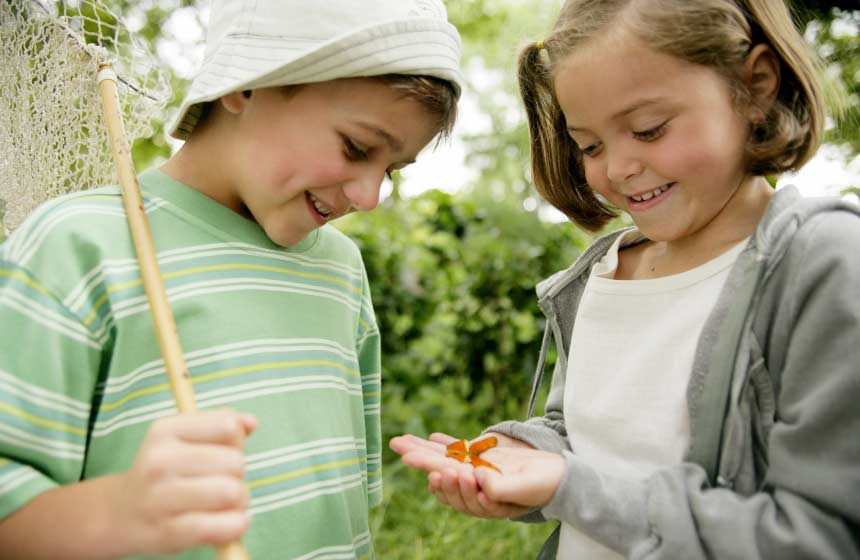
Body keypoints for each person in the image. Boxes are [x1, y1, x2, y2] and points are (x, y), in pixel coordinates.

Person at [390, 0, 860, 558]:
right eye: (589, 145)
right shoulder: (602, 273)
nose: (616, 169)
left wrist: (571, 486)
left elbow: (819, 534)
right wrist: (520, 454)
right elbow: (589, 438)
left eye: (648, 129)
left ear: (754, 87)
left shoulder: (821, 266)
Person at [0, 0, 462, 558]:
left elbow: (346, 509)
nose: (368, 197)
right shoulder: (77, 245)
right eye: (357, 148)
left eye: (389, 169)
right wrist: (114, 513)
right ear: (247, 84)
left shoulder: (341, 270)